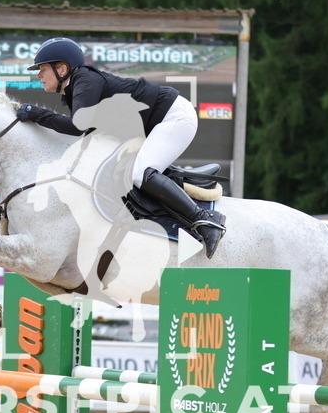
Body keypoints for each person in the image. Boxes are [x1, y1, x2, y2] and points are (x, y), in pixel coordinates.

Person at [16, 37, 226, 258]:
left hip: (174, 117)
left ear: (62, 69)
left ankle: (206, 221)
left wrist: (35, 113)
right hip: (158, 122)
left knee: (139, 174)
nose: (38, 75)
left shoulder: (85, 81)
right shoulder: (76, 87)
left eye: (42, 69)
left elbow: (79, 127)